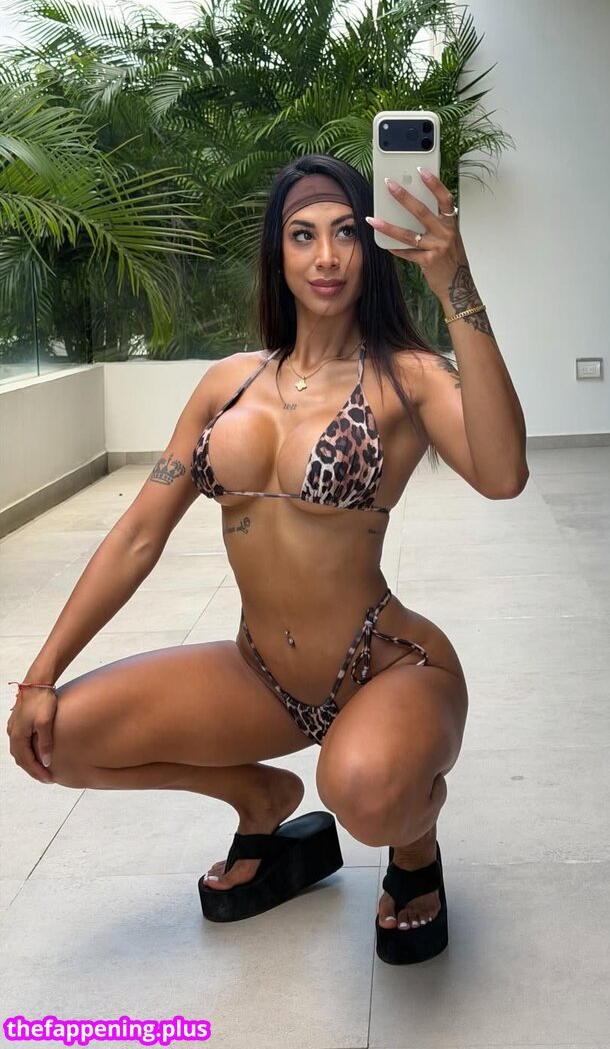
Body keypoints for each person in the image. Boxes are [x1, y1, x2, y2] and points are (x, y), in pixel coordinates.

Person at [6, 153, 528, 965]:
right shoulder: (227, 384)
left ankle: (415, 844)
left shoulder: (409, 377)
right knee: (58, 740)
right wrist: (39, 675)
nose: (327, 256)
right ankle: (259, 796)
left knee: (364, 793)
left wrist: (453, 283)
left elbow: (501, 475)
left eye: (346, 233)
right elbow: (139, 535)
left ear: (371, 250)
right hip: (262, 675)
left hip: (384, 665)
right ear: (277, 253)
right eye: (303, 235)